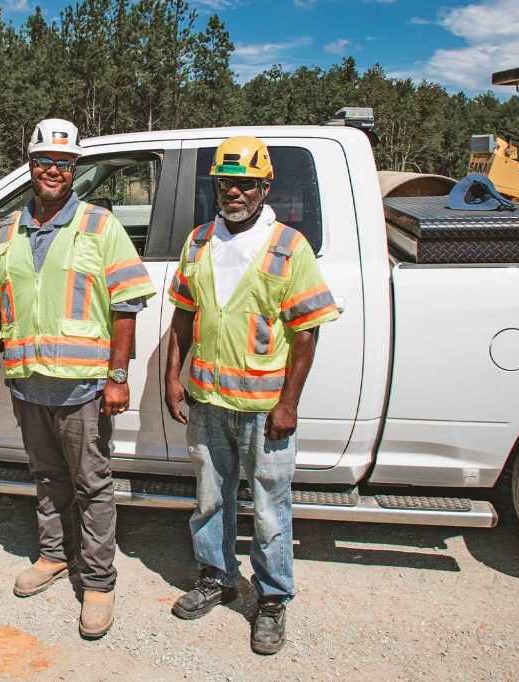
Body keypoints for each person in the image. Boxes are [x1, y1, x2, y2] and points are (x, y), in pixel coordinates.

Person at [0, 118, 155, 638]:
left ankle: (97, 582)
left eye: (64, 163)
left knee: (92, 483)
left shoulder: (100, 226)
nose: (53, 170)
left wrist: (117, 376)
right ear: (30, 166)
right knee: (46, 478)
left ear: (75, 169)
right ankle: (53, 555)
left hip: (83, 388)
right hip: (28, 384)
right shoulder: (6, 231)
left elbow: (126, 305)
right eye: (45, 161)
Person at [164, 136, 340, 655]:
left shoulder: (289, 246)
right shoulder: (198, 242)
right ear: (215, 185)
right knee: (210, 499)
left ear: (265, 186)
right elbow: (183, 316)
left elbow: (306, 332)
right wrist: (174, 377)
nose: (234, 191)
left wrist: (288, 404)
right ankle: (216, 577)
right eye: (225, 182)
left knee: (268, 508)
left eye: (245, 183)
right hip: (209, 402)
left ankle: (271, 599)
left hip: (266, 410)